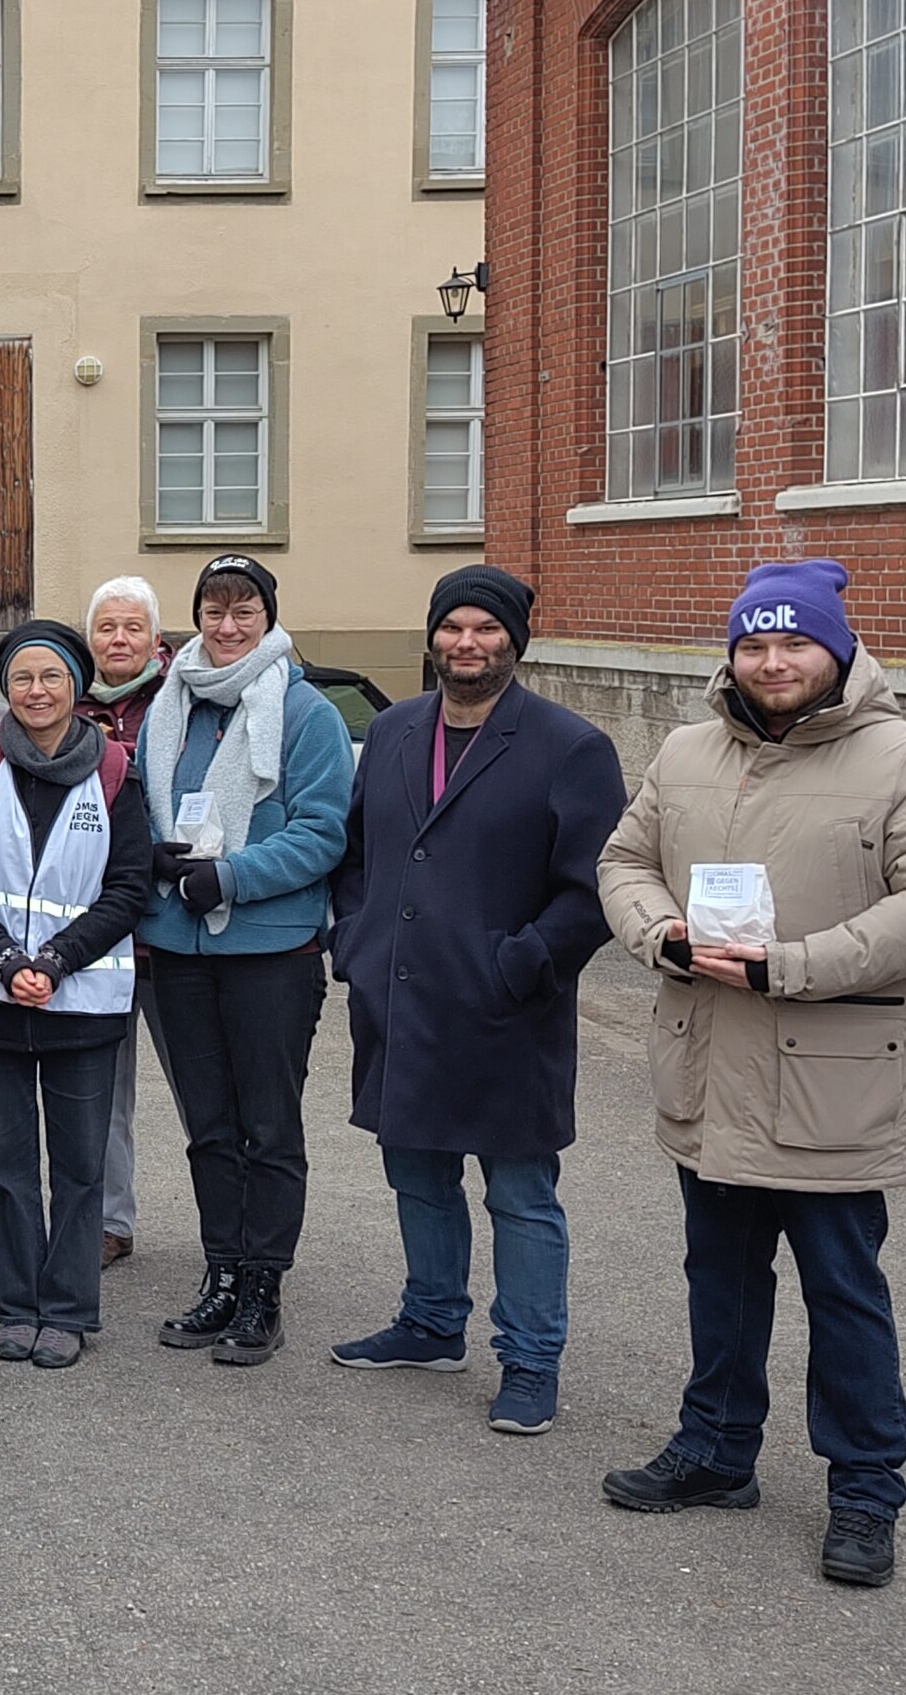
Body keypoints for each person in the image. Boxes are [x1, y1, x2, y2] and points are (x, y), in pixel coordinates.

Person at [595, 560, 906, 1589]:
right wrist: (660, 936)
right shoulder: (684, 752)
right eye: (753, 643)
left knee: (843, 1293)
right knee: (718, 1279)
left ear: (835, 650)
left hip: (829, 1082)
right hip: (709, 1068)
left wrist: (792, 968)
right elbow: (621, 864)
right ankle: (716, 1453)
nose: (771, 661)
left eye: (792, 642)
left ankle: (864, 1492)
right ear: (732, 653)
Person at [326, 567, 628, 1436]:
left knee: (520, 1194)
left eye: (486, 630)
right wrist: (358, 937)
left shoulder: (569, 747)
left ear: (514, 642)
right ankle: (431, 1321)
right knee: (415, 1173)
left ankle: (530, 1361)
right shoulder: (390, 731)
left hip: (506, 1010)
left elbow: (594, 886)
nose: (468, 644)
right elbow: (357, 854)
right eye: (453, 627)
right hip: (401, 1001)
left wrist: (523, 964)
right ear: (432, 637)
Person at [140, 554, 353, 1368]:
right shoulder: (175, 701)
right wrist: (156, 858)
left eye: (245, 611)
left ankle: (263, 1284)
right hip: (180, 948)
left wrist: (231, 876)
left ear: (269, 618)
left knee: (267, 1126)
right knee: (209, 1129)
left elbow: (323, 830)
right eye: (214, 610)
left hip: (269, 950)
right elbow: (146, 803)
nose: (227, 627)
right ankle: (220, 1272)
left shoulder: (304, 711)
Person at [0, 621, 154, 1370]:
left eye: (51, 677)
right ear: (5, 688)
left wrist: (56, 960)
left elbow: (129, 886)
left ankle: (67, 1310)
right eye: (22, 678)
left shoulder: (116, 768)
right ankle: (18, 1305)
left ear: (75, 685)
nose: (36, 691)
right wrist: (3, 958)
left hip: (82, 1003)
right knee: (11, 1165)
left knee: (81, 1168)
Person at [75, 575, 180, 1275]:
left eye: (131, 628)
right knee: (102, 1094)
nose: (118, 640)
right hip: (99, 934)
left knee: (204, 1092)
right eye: (106, 628)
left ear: (155, 639)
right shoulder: (67, 706)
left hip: (176, 930)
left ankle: (232, 1234)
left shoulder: (187, 700)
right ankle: (110, 1221)